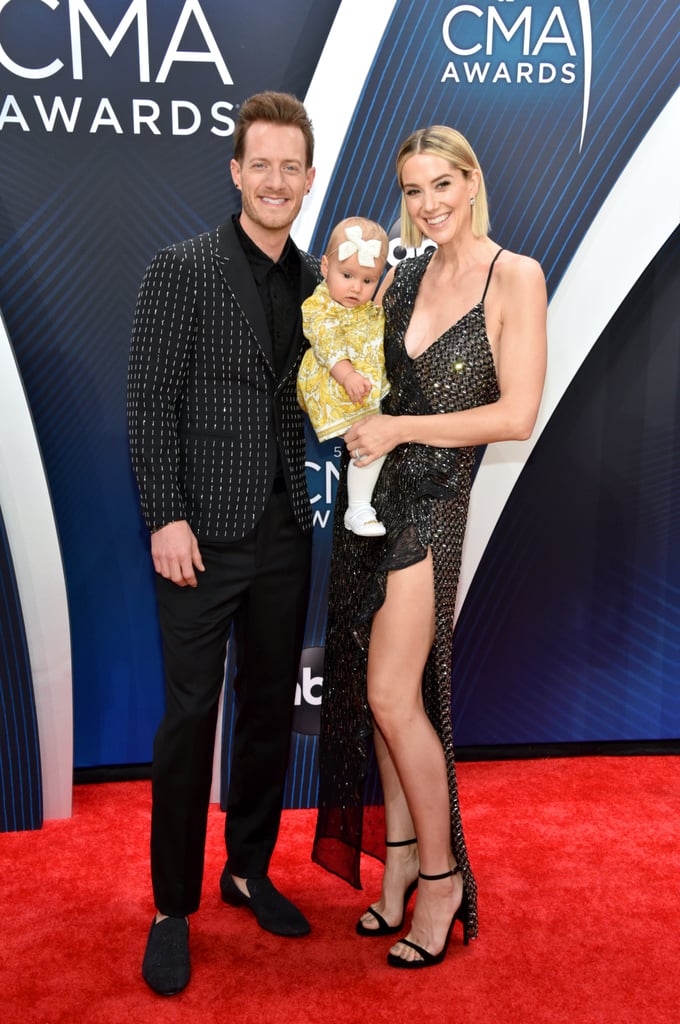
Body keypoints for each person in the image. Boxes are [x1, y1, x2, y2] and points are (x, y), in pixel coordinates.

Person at [312, 125, 547, 969]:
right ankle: (402, 863)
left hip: (434, 509)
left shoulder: (513, 275)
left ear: (472, 180)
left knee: (390, 694)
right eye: (413, 190)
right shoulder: (402, 279)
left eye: (442, 185)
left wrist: (400, 425)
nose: (429, 204)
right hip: (372, 504)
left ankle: (442, 879)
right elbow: (344, 352)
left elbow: (515, 414)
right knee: (387, 698)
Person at [127, 90, 320, 996]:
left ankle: (247, 867)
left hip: (288, 533)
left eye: (292, 166)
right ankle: (173, 906)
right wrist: (165, 514)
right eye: (262, 165)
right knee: (187, 723)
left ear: (308, 178)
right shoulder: (184, 267)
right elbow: (149, 400)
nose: (276, 180)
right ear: (236, 172)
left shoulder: (323, 285)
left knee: (266, 715)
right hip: (197, 539)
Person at [297, 216, 390, 536]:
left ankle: (361, 505)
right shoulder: (320, 306)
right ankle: (359, 507)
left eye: (368, 281)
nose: (356, 287)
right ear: (325, 267)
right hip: (331, 383)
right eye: (347, 275)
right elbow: (327, 342)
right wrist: (347, 374)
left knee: (376, 435)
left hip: (357, 385)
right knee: (370, 437)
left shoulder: (365, 310)